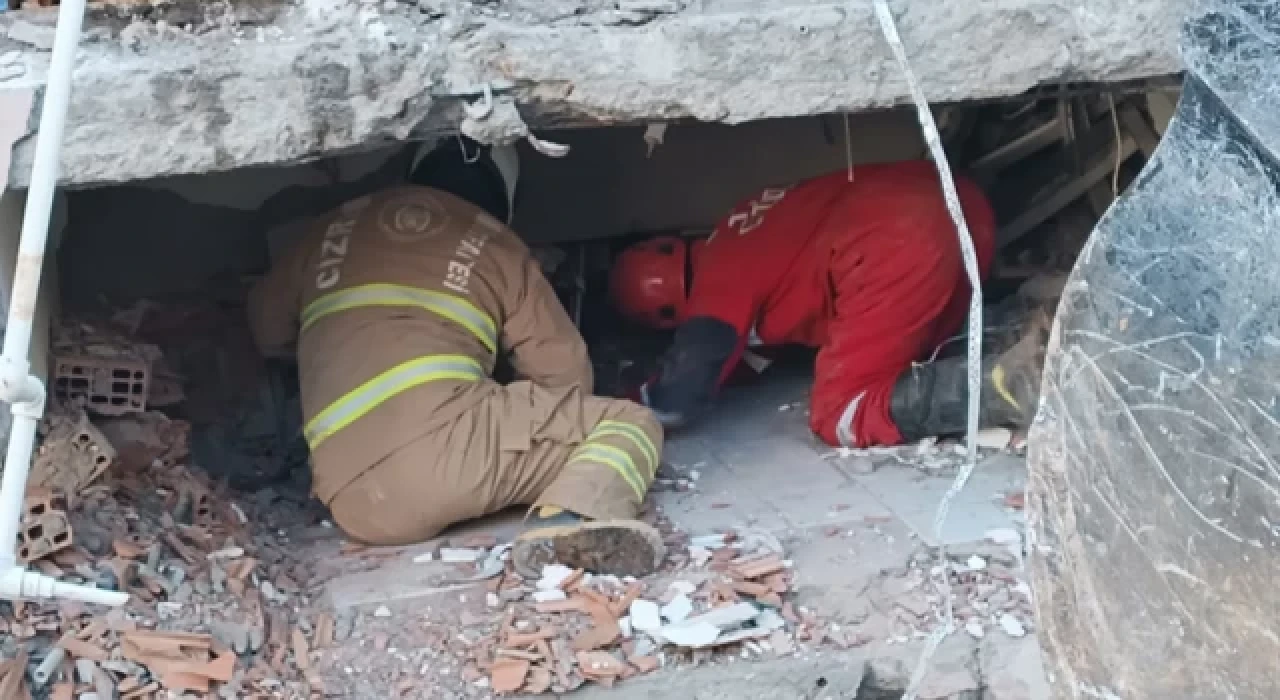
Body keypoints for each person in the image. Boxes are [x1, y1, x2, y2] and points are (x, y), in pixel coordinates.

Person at [247, 137, 665, 576]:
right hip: (451, 464)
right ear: (506, 194)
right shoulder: (496, 244)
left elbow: (267, 331)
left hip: (353, 500)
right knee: (631, 424)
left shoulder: (328, 231)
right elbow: (564, 375)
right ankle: (568, 523)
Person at [609, 160, 1045, 448]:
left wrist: (626, 401)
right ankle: (1037, 328)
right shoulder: (736, 229)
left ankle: (1006, 384)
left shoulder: (714, 289)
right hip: (958, 206)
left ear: (667, 315)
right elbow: (751, 358)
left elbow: (678, 398)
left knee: (841, 411)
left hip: (894, 243)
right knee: (925, 347)